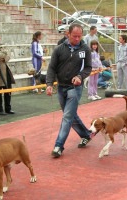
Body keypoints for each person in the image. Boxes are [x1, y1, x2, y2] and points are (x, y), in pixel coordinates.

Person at [46, 24, 92, 158]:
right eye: (74, 36)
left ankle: (58, 146)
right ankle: (86, 135)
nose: (77, 39)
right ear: (68, 34)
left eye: (79, 36)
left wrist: (80, 77)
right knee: (70, 115)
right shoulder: (59, 49)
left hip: (75, 88)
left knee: (67, 116)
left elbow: (88, 68)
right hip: (61, 87)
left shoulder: (85, 49)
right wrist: (49, 84)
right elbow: (51, 68)